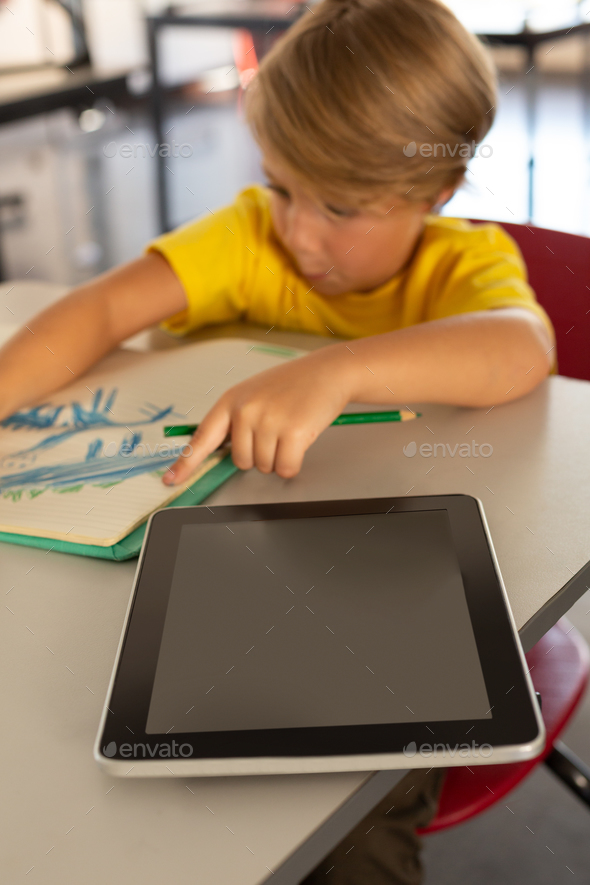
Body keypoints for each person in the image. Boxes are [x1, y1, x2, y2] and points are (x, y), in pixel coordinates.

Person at [0, 1, 554, 880]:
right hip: (209, 594)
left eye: (338, 205)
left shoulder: (461, 265)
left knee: (346, 830)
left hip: (391, 609)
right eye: (281, 183)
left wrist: (335, 372)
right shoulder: (251, 235)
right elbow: (102, 308)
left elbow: (521, 348)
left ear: (434, 190)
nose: (298, 232)